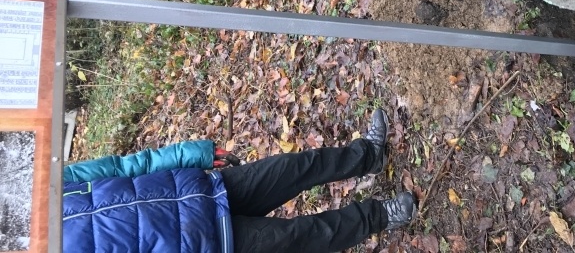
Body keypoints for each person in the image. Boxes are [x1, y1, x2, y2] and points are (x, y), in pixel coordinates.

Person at [62, 109, 415, 252]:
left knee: (294, 167)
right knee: (303, 235)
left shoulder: (47, 183)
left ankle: (369, 155)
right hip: (207, 243)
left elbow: (127, 167)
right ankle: (382, 216)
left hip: (199, 191)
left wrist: (194, 154)